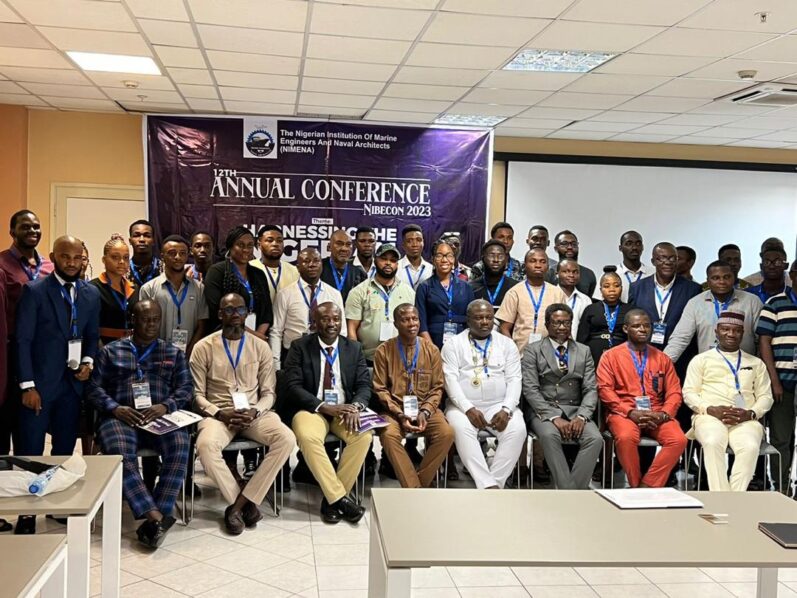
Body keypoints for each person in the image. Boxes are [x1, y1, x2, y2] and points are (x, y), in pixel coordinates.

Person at [87, 300, 192, 548]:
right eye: (145, 319)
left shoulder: (172, 353)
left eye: (156, 319)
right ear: (133, 320)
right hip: (121, 417)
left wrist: (166, 406)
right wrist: (115, 408)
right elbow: (93, 388)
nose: (151, 324)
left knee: (181, 444)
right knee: (120, 453)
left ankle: (157, 513)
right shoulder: (110, 352)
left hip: (160, 416)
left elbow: (187, 388)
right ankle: (156, 516)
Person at [14, 236, 100, 533]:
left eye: (77, 257)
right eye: (65, 257)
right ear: (53, 257)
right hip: (39, 386)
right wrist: (27, 386)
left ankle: (56, 506)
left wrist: (88, 362)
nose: (72, 263)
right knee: (31, 451)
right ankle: (26, 515)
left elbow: (91, 336)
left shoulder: (90, 294)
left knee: (63, 449)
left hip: (72, 387)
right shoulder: (35, 291)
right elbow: (23, 341)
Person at [191, 293, 295, 534]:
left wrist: (255, 411)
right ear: (220, 314)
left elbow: (269, 393)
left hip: (253, 413)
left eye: (240, 309)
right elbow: (197, 395)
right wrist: (220, 413)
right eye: (228, 310)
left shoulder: (260, 346)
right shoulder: (203, 347)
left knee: (286, 438)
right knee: (205, 446)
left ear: (247, 313)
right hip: (219, 414)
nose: (235, 314)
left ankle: (239, 506)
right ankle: (243, 503)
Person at [281, 302, 372, 524]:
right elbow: (292, 386)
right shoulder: (300, 346)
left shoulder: (353, 348)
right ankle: (339, 499)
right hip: (311, 409)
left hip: (345, 409)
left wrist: (356, 407)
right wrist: (323, 406)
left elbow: (364, 385)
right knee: (308, 437)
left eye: (336, 319)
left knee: (363, 436)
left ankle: (332, 500)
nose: (332, 323)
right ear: (314, 322)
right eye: (325, 319)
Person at [683, 310, 773, 492]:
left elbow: (766, 396)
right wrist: (709, 409)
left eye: (736, 330)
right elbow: (689, 392)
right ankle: (722, 497)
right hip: (709, 417)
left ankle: (735, 497)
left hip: (745, 419)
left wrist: (751, 413)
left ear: (743, 333)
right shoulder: (700, 360)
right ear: (716, 331)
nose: (731, 334)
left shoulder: (756, 363)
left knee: (750, 446)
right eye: (725, 329)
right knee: (712, 441)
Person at [597, 309, 686, 488]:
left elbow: (675, 392)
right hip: (624, 412)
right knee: (625, 437)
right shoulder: (610, 356)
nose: (643, 329)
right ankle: (635, 484)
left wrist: (664, 413)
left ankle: (647, 485)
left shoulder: (662, 358)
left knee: (678, 440)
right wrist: (630, 412)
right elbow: (605, 390)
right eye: (637, 326)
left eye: (646, 326)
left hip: (656, 413)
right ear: (626, 329)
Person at [442, 299, 525, 489]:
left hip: (499, 405)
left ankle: (494, 483)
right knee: (460, 429)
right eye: (479, 318)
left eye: (489, 317)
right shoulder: (453, 344)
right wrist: (468, 409)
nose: (485, 322)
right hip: (462, 406)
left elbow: (514, 379)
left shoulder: (507, 344)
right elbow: (450, 381)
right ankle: (487, 484)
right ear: (468, 320)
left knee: (517, 429)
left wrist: (507, 409)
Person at [522, 303, 602, 489]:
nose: (562, 327)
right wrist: (553, 417)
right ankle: (569, 491)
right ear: (547, 324)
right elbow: (530, 389)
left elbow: (591, 388)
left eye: (566, 323)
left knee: (595, 439)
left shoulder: (583, 350)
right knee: (550, 436)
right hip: (545, 410)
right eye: (556, 323)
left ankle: (570, 491)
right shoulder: (533, 350)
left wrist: (582, 416)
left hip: (576, 409)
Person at [373, 304, 454, 488]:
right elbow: (380, 390)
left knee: (447, 433)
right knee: (388, 435)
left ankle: (417, 484)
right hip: (394, 411)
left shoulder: (431, 350)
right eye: (405, 320)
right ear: (395, 324)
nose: (412, 324)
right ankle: (415, 488)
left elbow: (437, 387)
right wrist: (399, 414)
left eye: (415, 319)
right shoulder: (383, 351)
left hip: (425, 409)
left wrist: (425, 411)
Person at [665, 261, 763, 364]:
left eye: (727, 277)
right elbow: (680, 338)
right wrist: (662, 365)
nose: (722, 282)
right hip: (707, 367)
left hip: (744, 366)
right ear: (708, 281)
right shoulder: (695, 303)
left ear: (734, 278)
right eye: (716, 278)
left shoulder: (752, 301)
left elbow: (762, 339)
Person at [756, 261, 797, 492]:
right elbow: (764, 343)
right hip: (782, 382)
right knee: (781, 438)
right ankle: (781, 488)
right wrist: (774, 381)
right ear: (793, 275)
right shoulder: (775, 304)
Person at [270, 247, 345, 369]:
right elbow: (276, 332)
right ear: (298, 267)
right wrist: (276, 367)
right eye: (306, 261)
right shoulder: (285, 294)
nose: (312, 265)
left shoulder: (334, 294)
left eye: (316, 261)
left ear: (321, 265)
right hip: (293, 354)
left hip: (325, 354)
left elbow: (342, 331)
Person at [628, 242, 702, 358]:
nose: (667, 262)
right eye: (662, 258)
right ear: (653, 261)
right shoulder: (637, 287)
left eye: (672, 258)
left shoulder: (693, 289)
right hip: (645, 354)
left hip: (681, 356)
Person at [139, 235, 208, 357]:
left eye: (182, 253)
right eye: (172, 253)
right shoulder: (148, 289)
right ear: (162, 256)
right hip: (157, 355)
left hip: (189, 355)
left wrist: (189, 353)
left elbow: (202, 325)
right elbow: (144, 327)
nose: (177, 257)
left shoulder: (199, 288)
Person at [346, 243, 415, 363]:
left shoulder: (408, 292)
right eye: (383, 259)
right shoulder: (359, 291)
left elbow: (414, 325)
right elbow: (351, 328)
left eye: (393, 260)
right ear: (375, 261)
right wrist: (356, 357)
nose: (388, 263)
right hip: (368, 357)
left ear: (397, 264)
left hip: (401, 357)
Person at [204, 226, 272, 340]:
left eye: (250, 245)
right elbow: (217, 311)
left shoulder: (259, 274)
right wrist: (254, 336)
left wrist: (259, 336)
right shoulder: (216, 272)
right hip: (225, 336)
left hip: (257, 340)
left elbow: (267, 312)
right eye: (240, 245)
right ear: (230, 247)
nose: (246, 250)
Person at [497, 248, 566, 353]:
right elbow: (504, 328)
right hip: (521, 354)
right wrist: (512, 352)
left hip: (551, 355)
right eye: (533, 261)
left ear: (548, 266)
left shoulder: (557, 293)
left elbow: (564, 325)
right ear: (525, 266)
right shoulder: (514, 292)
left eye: (542, 262)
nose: (538, 265)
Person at [415, 239, 475, 349]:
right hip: (433, 342)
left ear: (454, 259)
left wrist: (467, 346)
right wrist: (432, 350)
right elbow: (421, 324)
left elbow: (472, 320)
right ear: (433, 259)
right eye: (439, 255)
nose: (444, 260)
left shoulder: (466, 287)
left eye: (449, 256)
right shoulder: (424, 287)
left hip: (462, 343)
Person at [90, 233, 138, 345]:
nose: (121, 262)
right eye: (115, 257)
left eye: (126, 258)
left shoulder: (134, 288)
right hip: (104, 346)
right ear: (104, 260)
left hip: (131, 346)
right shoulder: (93, 288)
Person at [576, 270, 631, 367]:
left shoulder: (630, 310)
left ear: (621, 288)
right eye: (606, 286)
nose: (612, 289)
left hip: (623, 354)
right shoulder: (591, 309)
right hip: (594, 354)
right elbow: (582, 337)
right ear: (601, 290)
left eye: (616, 286)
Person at [249, 225, 300, 302]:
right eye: (270, 240)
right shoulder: (249, 268)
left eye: (279, 241)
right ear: (259, 244)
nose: (275, 244)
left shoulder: (294, 271)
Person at [469, 240, 519, 313]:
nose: (496, 260)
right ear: (483, 259)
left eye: (500, 256)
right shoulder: (471, 288)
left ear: (505, 260)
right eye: (491, 255)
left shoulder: (515, 287)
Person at [545, 230, 597, 297]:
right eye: (564, 244)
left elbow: (589, 299)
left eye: (574, 244)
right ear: (556, 248)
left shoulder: (589, 274)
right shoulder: (549, 273)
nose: (570, 247)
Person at [321, 229, 366, 303]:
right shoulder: (319, 268)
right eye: (339, 244)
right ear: (329, 247)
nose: (344, 249)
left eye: (348, 244)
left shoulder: (359, 273)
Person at [606, 230, 649, 303]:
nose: (634, 247)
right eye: (629, 244)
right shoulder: (611, 274)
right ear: (620, 248)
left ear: (642, 247)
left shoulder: (653, 273)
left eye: (638, 243)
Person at [556, 258, 592, 336]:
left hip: (577, 342)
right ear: (557, 274)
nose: (571, 275)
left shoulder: (585, 300)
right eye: (566, 271)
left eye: (575, 272)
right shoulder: (549, 295)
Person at [127, 219, 162, 289]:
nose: (142, 239)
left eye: (147, 236)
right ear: (130, 241)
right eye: (136, 235)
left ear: (153, 240)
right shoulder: (123, 270)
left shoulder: (165, 269)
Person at [396, 224, 432, 290]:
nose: (415, 244)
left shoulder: (431, 269)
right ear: (403, 245)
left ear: (423, 243)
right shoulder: (396, 268)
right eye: (409, 241)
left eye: (418, 240)